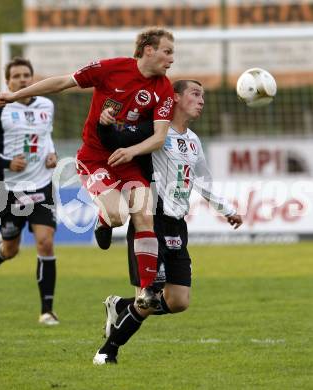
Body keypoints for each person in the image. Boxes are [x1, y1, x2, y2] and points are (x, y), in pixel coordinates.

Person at [0, 27, 175, 309]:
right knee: (117, 216)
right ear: (149, 50)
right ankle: (103, 222)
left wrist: (131, 151)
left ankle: (146, 290)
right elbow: (62, 82)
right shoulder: (111, 69)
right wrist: (16, 95)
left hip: (127, 161)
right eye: (167, 51)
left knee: (144, 213)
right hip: (93, 158)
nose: (171, 59)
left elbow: (160, 136)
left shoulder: (163, 88)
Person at [92, 79, 243, 364]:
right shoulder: (154, 132)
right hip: (151, 220)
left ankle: (120, 305)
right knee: (148, 297)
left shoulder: (194, 140)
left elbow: (201, 180)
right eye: (195, 94)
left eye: (203, 95)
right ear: (173, 98)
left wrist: (226, 209)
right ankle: (107, 351)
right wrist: (106, 122)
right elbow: (116, 138)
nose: (201, 100)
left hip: (177, 223)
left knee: (178, 301)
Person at [0, 57, 59, 325]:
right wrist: (5, 162)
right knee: (11, 248)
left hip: (42, 185)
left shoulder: (47, 105)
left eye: (27, 75)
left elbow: (46, 135)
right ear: (8, 81)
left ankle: (47, 310)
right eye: (17, 76)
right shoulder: (0, 109)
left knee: (45, 242)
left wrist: (52, 154)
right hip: (10, 189)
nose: (23, 79)